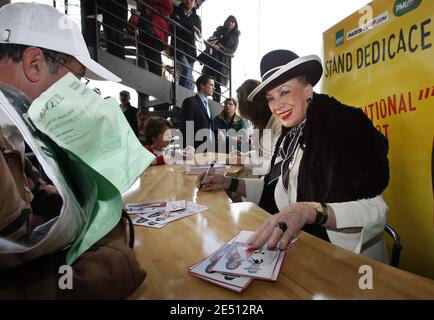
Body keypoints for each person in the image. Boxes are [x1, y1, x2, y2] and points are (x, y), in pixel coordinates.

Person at [0, 3, 145, 298]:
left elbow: (30, 213)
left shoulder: (12, 137)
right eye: (76, 80)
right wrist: (116, 260)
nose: (80, 94)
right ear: (34, 63)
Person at [196, 49, 390, 262]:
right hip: (306, 255)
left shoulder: (345, 126)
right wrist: (229, 183)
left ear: (308, 90)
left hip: (350, 266)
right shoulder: (289, 136)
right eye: (271, 98)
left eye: (285, 92)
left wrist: (310, 211)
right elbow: (274, 189)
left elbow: (375, 210)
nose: (277, 106)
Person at [234, 79, 281, 176]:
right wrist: (245, 155)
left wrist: (242, 160)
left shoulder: (278, 123)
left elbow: (269, 165)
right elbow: (262, 153)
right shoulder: (260, 123)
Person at [200, 15, 240, 102]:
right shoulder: (219, 30)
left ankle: (216, 101)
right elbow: (210, 39)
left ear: (235, 24)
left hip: (223, 63)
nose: (230, 23)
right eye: (229, 21)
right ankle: (202, 98)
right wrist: (213, 44)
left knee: (216, 83)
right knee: (206, 79)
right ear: (226, 21)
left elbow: (232, 50)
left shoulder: (235, 36)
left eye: (233, 22)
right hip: (212, 58)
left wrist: (222, 48)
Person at [170, 0, 202, 90]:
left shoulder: (196, 17)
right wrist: (192, 27)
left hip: (190, 48)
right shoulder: (175, 10)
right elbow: (175, 21)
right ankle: (179, 92)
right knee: (186, 69)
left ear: (195, 3)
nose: (188, 1)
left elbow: (199, 32)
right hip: (178, 45)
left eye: (192, 0)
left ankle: (184, 98)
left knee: (188, 78)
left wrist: (193, 29)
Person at [179, 74, 215, 150]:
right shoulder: (190, 102)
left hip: (208, 149)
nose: (214, 88)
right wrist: (188, 149)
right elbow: (186, 128)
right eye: (211, 85)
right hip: (195, 150)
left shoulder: (208, 104)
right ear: (202, 85)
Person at [137, 0, 173, 76]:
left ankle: (153, 84)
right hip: (151, 31)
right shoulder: (156, 8)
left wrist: (151, 8)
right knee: (149, 64)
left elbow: (168, 6)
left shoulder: (156, 7)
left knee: (152, 66)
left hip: (152, 32)